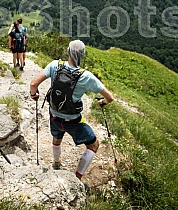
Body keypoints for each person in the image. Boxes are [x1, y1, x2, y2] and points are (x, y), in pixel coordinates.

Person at [29, 40, 114, 185]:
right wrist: (102, 102)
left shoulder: (55, 65)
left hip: (54, 115)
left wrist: (34, 95)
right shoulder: (86, 76)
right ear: (83, 55)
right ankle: (77, 178)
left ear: (68, 51)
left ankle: (56, 164)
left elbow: (33, 84)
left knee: (57, 138)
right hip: (73, 120)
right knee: (94, 145)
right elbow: (110, 97)